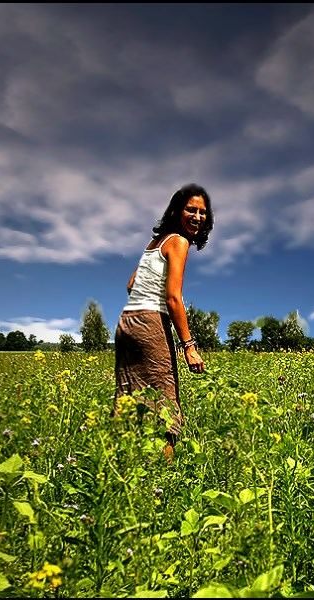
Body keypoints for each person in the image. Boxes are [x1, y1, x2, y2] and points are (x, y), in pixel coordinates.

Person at [113, 183, 213, 463]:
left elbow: (131, 284)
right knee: (165, 401)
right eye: (191, 210)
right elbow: (173, 298)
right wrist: (189, 346)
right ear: (177, 211)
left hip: (126, 323)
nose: (197, 217)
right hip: (150, 323)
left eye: (202, 212)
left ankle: (123, 464)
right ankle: (162, 478)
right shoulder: (178, 242)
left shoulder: (154, 244)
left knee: (129, 394)